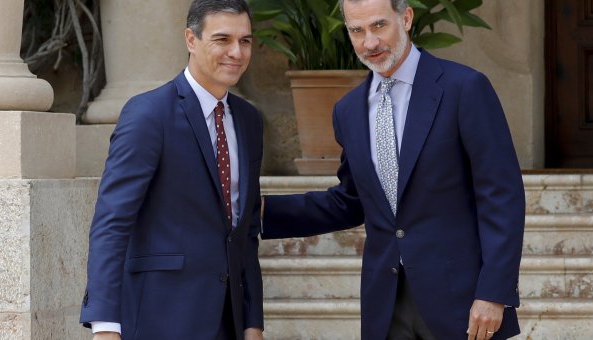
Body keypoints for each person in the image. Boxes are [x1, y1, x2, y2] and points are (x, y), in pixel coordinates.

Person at [260, 0, 525, 339]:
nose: (369, 43)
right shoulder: (348, 111)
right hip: (385, 306)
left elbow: (502, 196)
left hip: (462, 303)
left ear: (407, 18)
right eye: (357, 31)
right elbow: (351, 201)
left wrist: (494, 293)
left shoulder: (464, 89)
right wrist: (263, 209)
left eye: (379, 26)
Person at [79, 1, 264, 339]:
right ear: (191, 40)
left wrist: (253, 322)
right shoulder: (149, 114)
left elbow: (245, 231)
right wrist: (105, 325)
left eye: (245, 41)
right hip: (160, 318)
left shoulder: (249, 121)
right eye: (222, 39)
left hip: (230, 321)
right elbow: (112, 221)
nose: (236, 52)